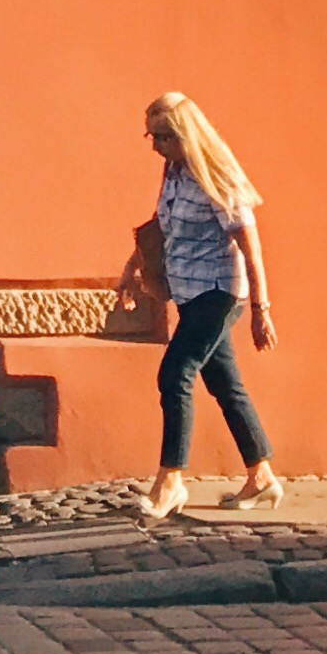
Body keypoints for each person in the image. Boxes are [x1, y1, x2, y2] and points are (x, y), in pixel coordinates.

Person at [127, 89, 281, 519]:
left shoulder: (218, 179)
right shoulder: (174, 173)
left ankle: (170, 481)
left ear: (185, 135)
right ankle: (261, 474)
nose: (156, 146)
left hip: (218, 292)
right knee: (225, 384)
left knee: (174, 374)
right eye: (152, 137)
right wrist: (131, 267)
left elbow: (251, 249)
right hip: (188, 292)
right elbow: (161, 226)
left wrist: (261, 310)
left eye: (163, 137)